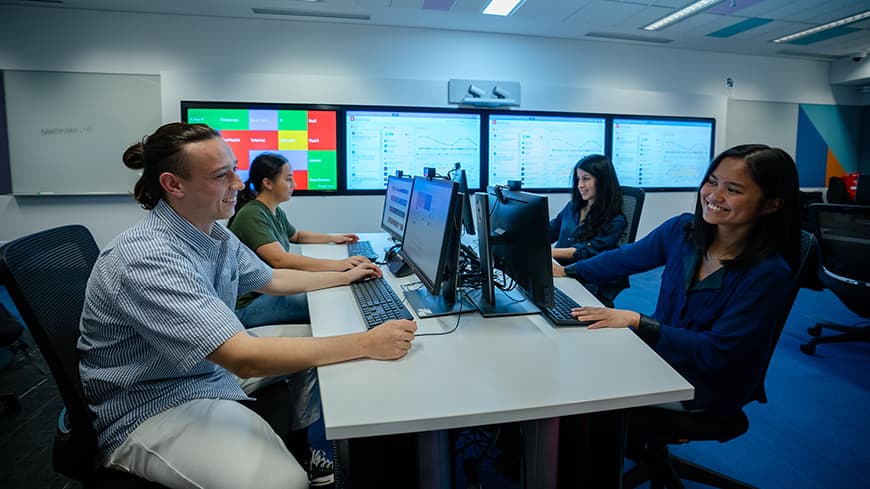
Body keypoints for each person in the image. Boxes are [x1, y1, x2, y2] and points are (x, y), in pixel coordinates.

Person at [77, 122, 417, 489]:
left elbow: (272, 279)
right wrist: (365, 343)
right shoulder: (147, 258)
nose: (239, 184)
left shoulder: (213, 231)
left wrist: (344, 275)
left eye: (234, 169)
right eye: (222, 176)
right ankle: (296, 466)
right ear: (173, 185)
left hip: (202, 370)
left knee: (312, 344)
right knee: (282, 483)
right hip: (153, 402)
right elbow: (243, 358)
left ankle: (304, 449)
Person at [555, 144, 800, 475]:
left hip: (704, 385)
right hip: (659, 357)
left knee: (581, 397)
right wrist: (568, 271)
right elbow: (623, 258)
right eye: (711, 182)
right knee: (570, 359)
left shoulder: (767, 274)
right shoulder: (682, 232)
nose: (713, 195)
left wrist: (638, 322)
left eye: (733, 189)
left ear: (771, 204)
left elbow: (718, 353)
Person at [228, 152, 369, 327]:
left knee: (330, 291)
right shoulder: (252, 214)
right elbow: (280, 260)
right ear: (268, 183)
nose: (293, 184)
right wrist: (339, 265)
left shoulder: (273, 211)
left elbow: (297, 236)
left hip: (270, 292)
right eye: (288, 179)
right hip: (247, 306)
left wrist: (334, 238)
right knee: (327, 299)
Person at [550, 154, 627, 306]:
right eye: (578, 179)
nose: (580, 185)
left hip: (584, 279)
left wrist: (546, 252)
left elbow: (585, 251)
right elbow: (550, 231)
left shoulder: (615, 220)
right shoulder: (573, 208)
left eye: (586, 179)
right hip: (558, 270)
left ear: (602, 181)